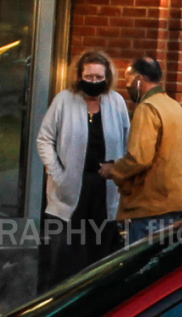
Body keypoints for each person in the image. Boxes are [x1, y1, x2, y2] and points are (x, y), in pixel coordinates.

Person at [34, 48, 129, 287]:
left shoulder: (116, 102)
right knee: (64, 258)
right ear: (79, 75)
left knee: (99, 255)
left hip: (104, 190)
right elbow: (44, 139)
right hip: (70, 189)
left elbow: (128, 140)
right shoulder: (64, 100)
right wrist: (57, 172)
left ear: (107, 77)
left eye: (99, 77)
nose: (94, 82)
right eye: (89, 77)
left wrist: (118, 170)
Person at [103, 57, 182, 243]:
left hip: (153, 205)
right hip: (180, 200)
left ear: (139, 79)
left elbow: (139, 158)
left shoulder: (147, 108)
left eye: (128, 79)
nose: (127, 85)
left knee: (142, 266)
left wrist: (112, 170)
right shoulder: (174, 106)